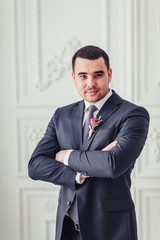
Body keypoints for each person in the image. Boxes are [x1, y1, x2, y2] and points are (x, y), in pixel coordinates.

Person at [28, 45, 149, 240]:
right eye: (83, 76)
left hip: (110, 229)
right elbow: (35, 166)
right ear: (74, 77)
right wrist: (79, 173)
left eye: (98, 74)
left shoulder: (132, 114)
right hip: (67, 227)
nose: (90, 83)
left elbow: (111, 164)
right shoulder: (62, 115)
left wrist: (65, 155)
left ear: (109, 74)